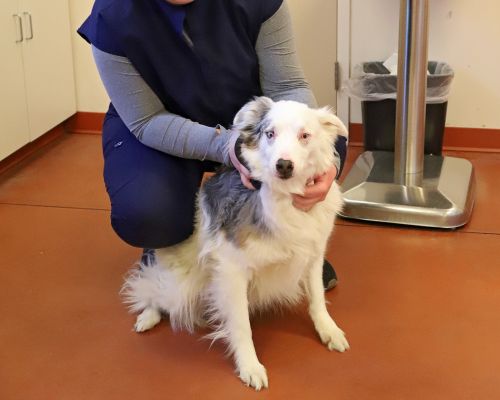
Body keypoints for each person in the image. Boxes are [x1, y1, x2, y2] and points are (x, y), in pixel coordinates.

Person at [78, 0, 347, 289]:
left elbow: (286, 86)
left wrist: (311, 150)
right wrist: (226, 147)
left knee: (331, 146)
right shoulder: (112, 15)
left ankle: (290, 249)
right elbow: (146, 119)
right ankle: (167, 242)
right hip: (158, 123)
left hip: (247, 120)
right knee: (149, 211)